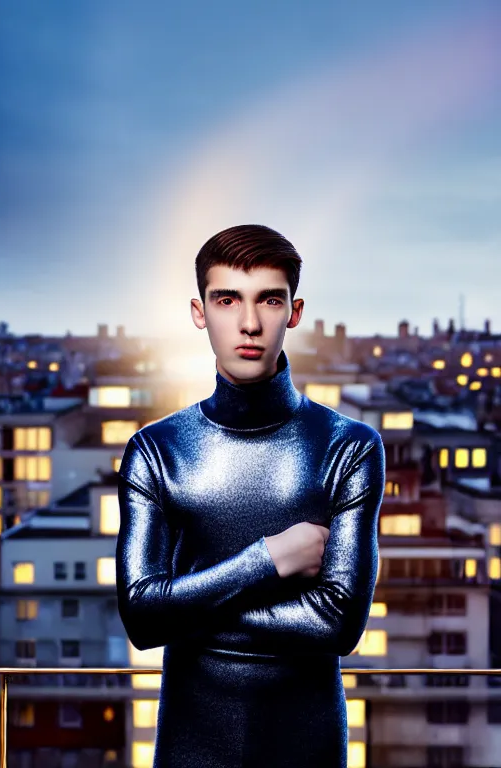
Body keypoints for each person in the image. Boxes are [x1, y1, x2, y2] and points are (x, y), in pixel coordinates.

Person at [116, 224, 385, 767]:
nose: (249, 323)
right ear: (200, 312)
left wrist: (183, 610)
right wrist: (269, 560)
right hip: (189, 747)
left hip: (307, 747)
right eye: (227, 299)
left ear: (294, 311)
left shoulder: (349, 447)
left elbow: (338, 624)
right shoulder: (155, 451)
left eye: (269, 299)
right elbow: (141, 619)